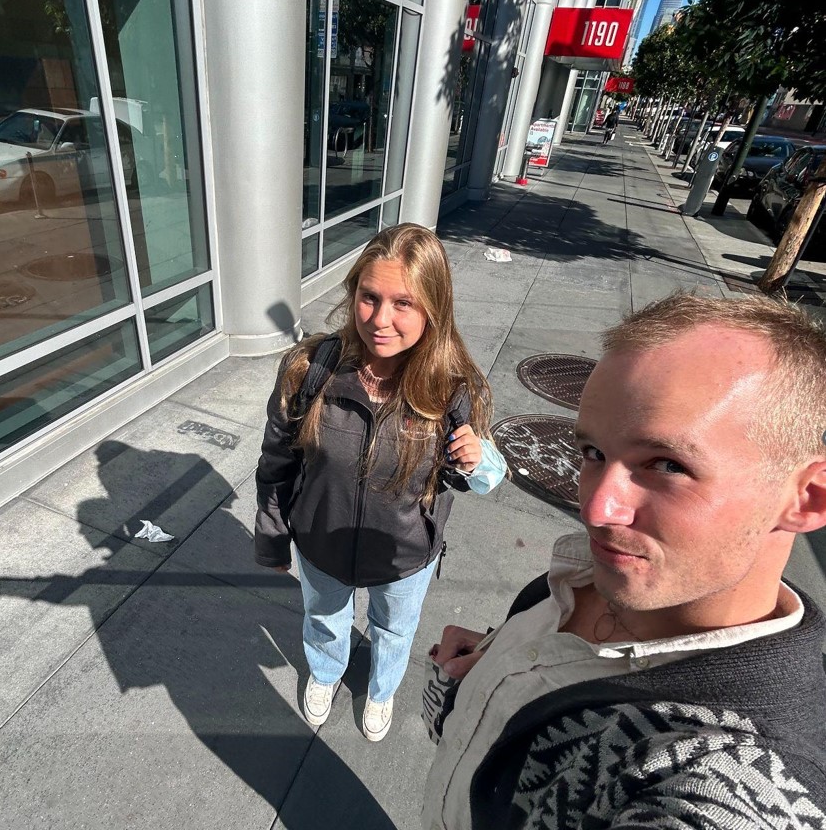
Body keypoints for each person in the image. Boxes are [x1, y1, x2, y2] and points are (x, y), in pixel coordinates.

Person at [423, 292, 826, 829]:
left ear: (808, 499)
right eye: (593, 453)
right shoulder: (592, 577)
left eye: (667, 464)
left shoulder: (729, 774)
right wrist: (498, 663)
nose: (594, 508)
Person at [255, 223, 505, 742]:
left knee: (394, 630)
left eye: (403, 304)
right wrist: (273, 536)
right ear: (354, 293)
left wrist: (477, 459)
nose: (380, 320)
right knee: (324, 617)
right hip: (321, 539)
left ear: (433, 308)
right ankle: (325, 673)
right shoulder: (311, 369)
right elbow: (277, 460)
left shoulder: (451, 386)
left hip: (403, 555)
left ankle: (382, 689)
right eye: (370, 297)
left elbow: (485, 479)